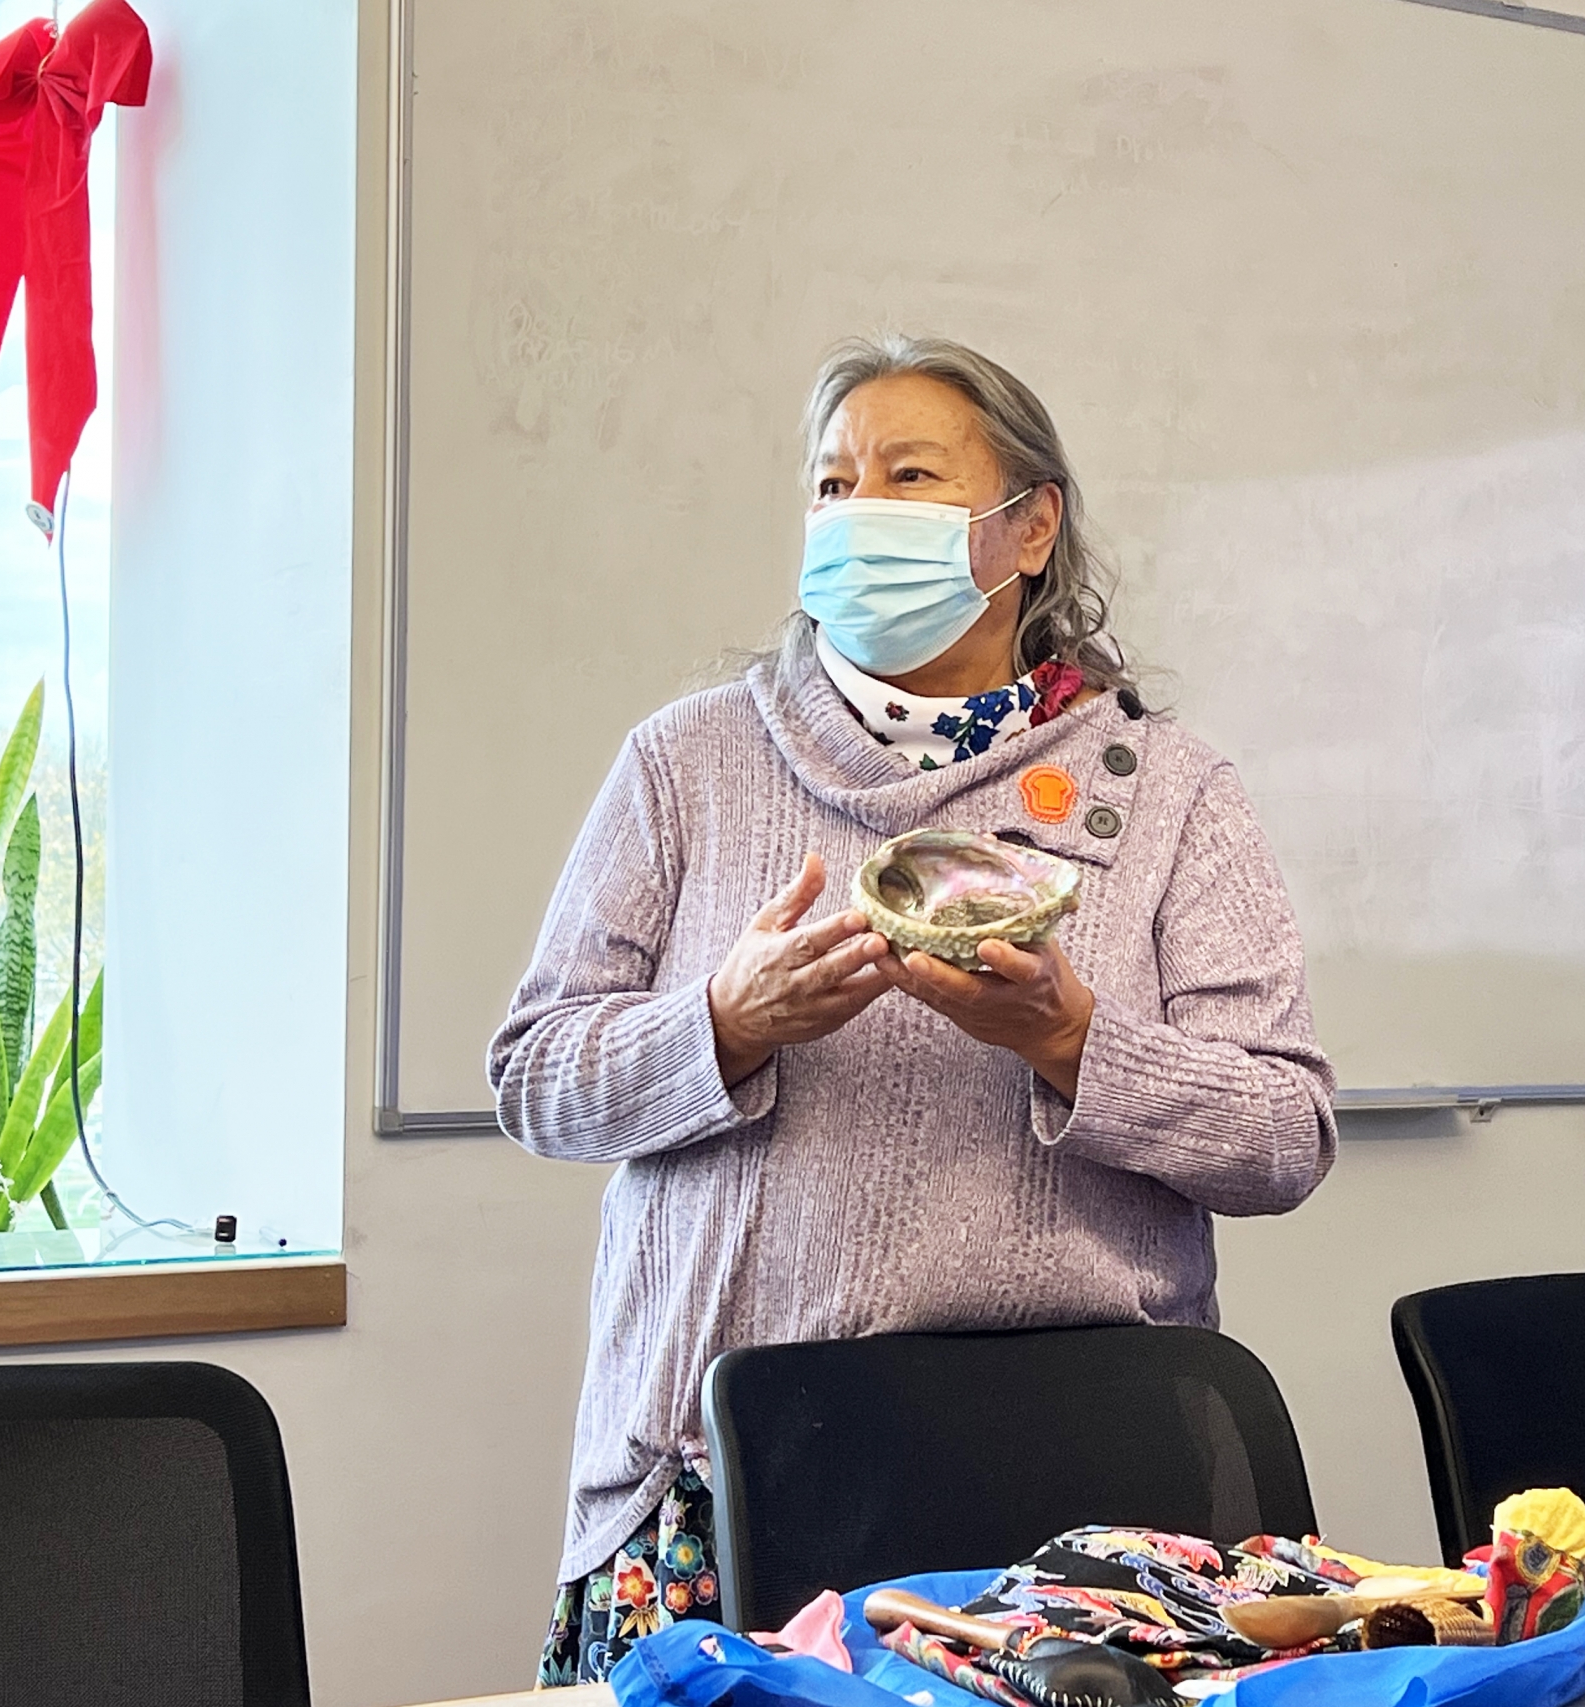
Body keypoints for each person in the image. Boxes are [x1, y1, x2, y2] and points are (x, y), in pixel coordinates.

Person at [490, 334, 1339, 1685]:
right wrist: (721, 1022)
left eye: (907, 475)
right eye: (832, 485)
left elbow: (1285, 1135)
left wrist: (1069, 1041)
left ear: (1030, 526)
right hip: (727, 1482)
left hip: (1076, 1504)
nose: (855, 513)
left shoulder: (1167, 790)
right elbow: (535, 1077)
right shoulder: (687, 763)